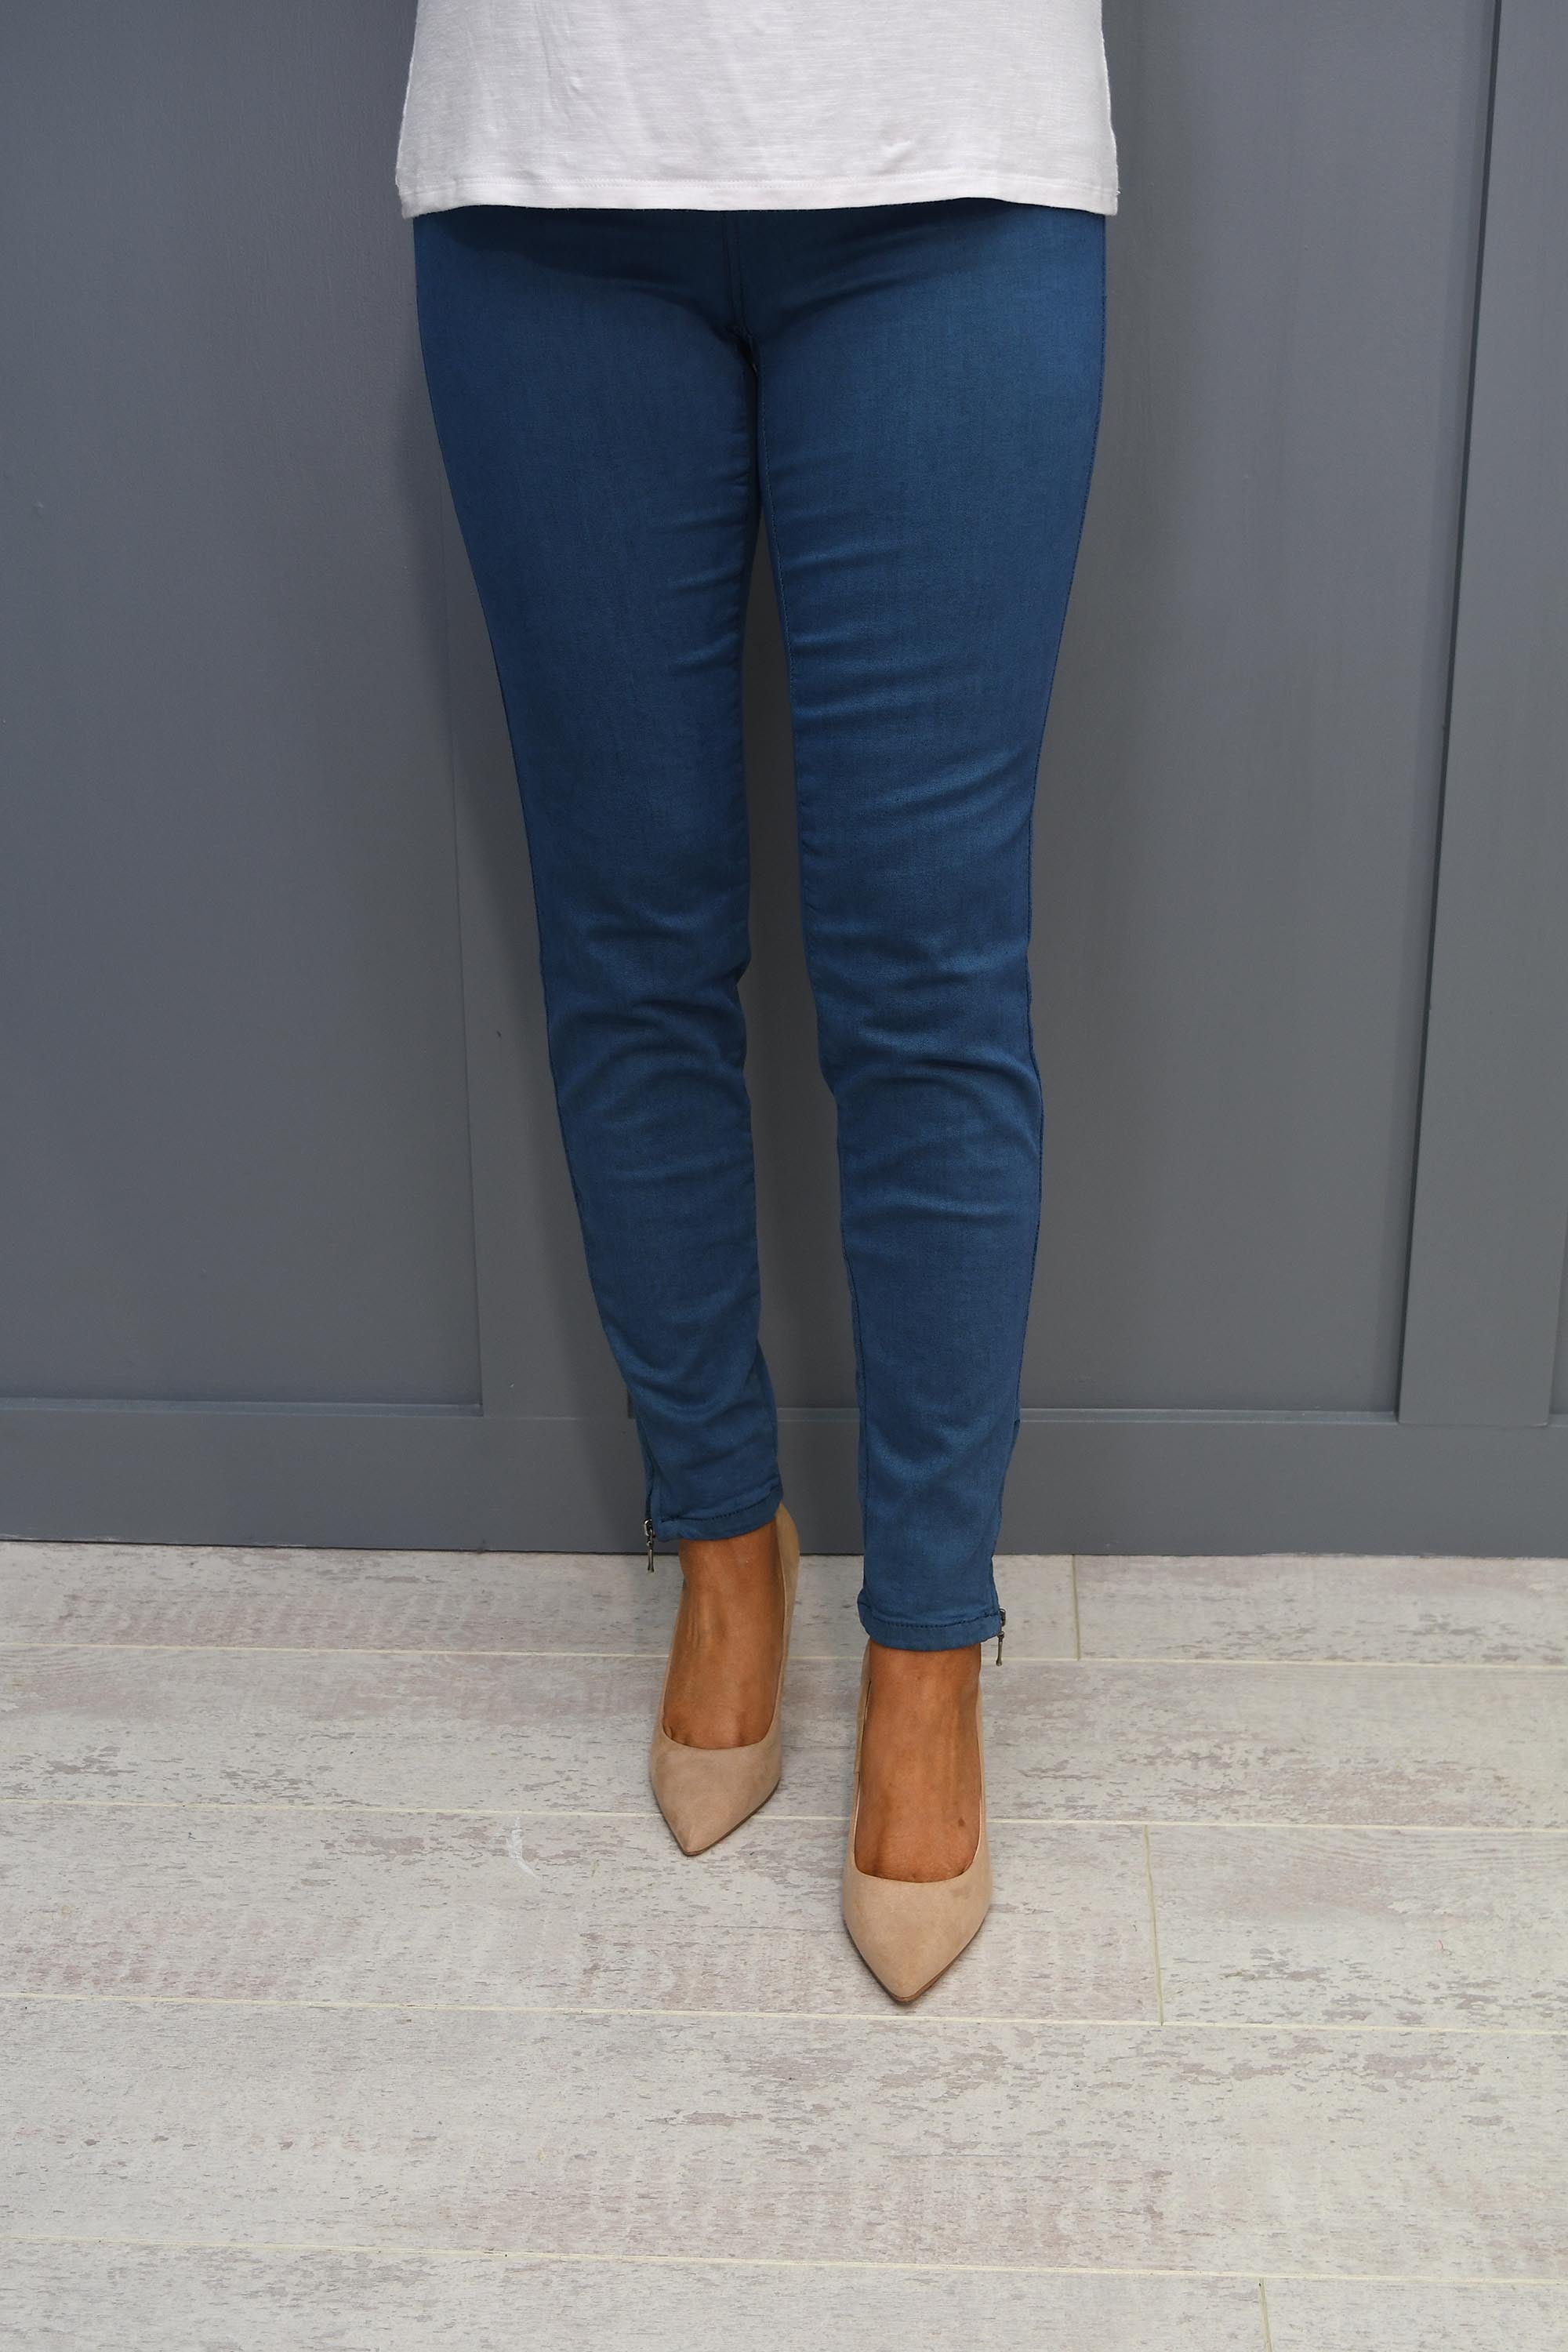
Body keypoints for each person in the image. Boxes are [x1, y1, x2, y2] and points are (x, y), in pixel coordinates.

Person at [396, 0, 1116, 2002]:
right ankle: (724, 1547)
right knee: (627, 938)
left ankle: (928, 1649)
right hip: (549, 156)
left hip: (951, 157)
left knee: (930, 965)